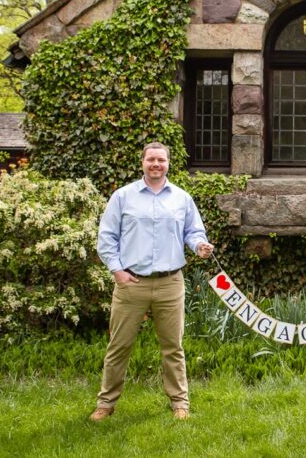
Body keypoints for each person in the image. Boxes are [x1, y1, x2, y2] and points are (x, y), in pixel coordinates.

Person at [89, 142, 213, 422]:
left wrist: (199, 246)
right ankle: (106, 403)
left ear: (169, 164)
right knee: (119, 346)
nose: (156, 164)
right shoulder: (123, 197)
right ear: (142, 162)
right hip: (131, 283)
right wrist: (117, 270)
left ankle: (180, 402)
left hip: (171, 283)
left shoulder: (181, 198)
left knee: (173, 347)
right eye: (151, 160)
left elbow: (194, 232)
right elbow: (106, 237)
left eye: (161, 160)